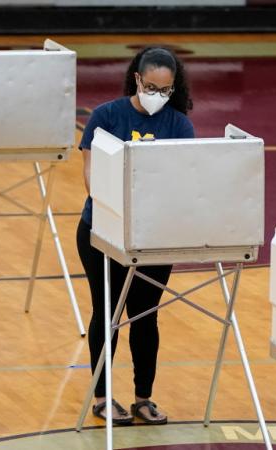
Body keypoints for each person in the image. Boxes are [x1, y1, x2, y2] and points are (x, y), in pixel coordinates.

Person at [76, 46, 194, 425]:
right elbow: (91, 174)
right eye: (151, 87)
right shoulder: (106, 116)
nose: (158, 95)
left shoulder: (179, 125)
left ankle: (144, 398)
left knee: (145, 317)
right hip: (103, 232)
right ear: (137, 79)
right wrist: (117, 206)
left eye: (166, 90)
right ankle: (102, 398)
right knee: (107, 313)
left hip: (153, 238)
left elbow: (182, 179)